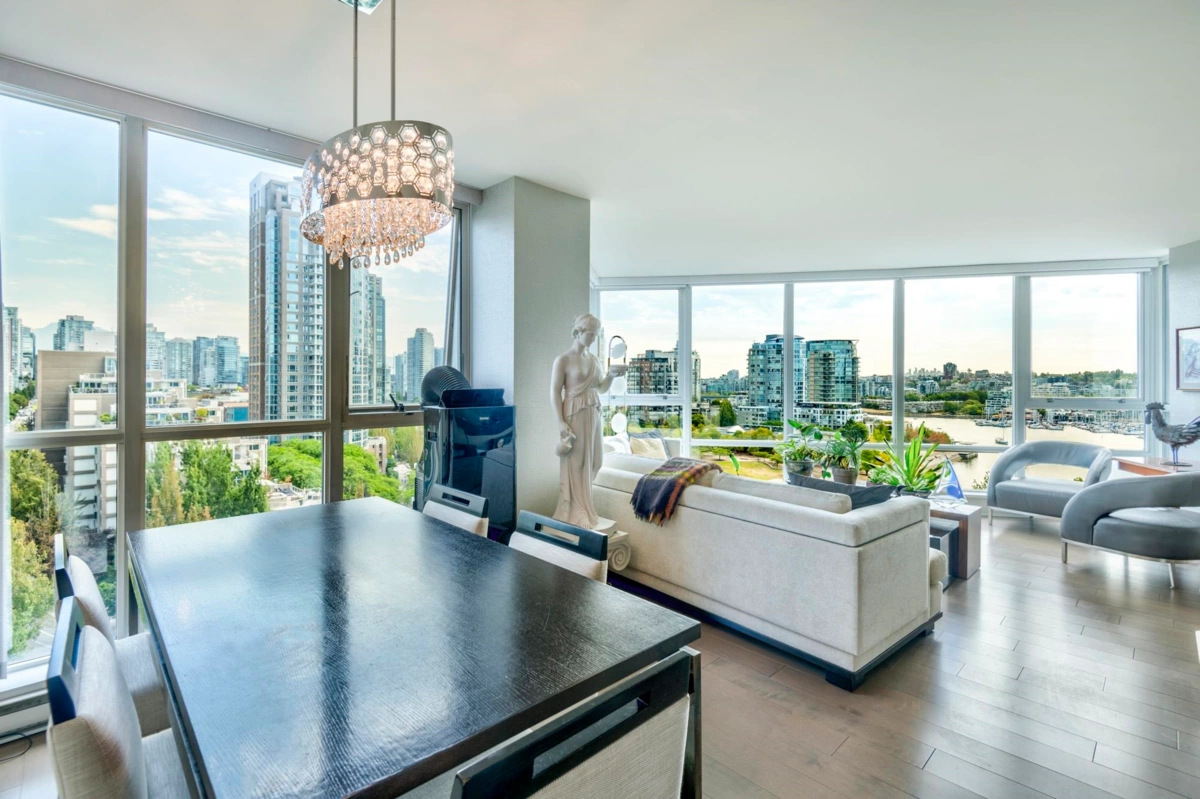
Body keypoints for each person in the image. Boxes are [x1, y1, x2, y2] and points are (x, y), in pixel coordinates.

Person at [550, 313, 626, 528]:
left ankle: (583, 506)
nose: (594, 339)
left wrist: (611, 375)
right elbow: (554, 392)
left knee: (596, 461)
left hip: (593, 411)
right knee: (577, 463)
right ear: (579, 332)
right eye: (591, 334)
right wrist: (560, 421)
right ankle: (575, 511)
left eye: (596, 335)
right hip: (574, 412)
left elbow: (600, 388)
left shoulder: (594, 360)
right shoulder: (563, 360)